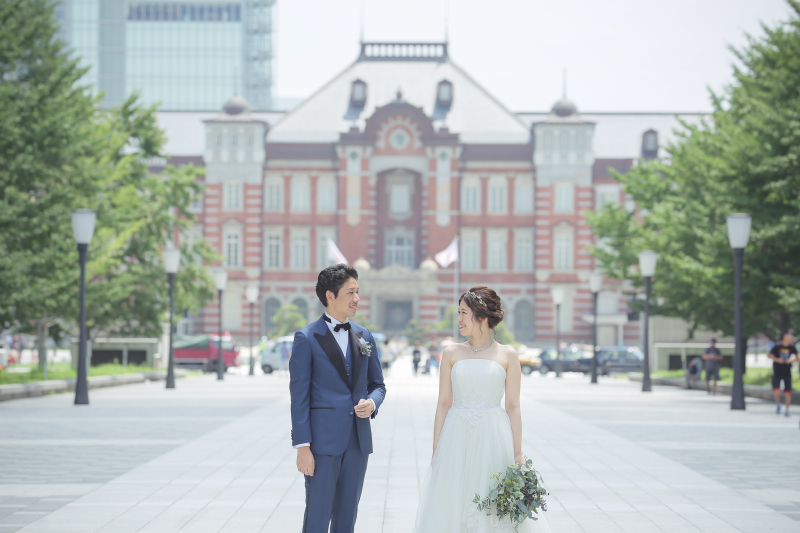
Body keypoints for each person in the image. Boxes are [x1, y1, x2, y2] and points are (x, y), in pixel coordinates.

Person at [413, 286, 551, 533]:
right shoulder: (452, 352)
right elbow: (443, 403)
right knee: (453, 501)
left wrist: (517, 452)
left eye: (463, 313)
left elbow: (513, 406)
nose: (458, 318)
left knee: (493, 503)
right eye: (458, 312)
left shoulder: (508, 354)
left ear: (482, 317)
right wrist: (437, 449)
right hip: (456, 436)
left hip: (493, 436)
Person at [289, 264, 387, 533]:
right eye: (350, 292)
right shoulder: (306, 338)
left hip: (357, 443)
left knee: (347, 519)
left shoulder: (365, 336)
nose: (357, 298)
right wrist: (302, 447)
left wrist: (372, 402)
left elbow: (378, 385)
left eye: (358, 291)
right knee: (317, 518)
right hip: (322, 445)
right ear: (330, 296)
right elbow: (299, 398)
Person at [768, 332, 797, 417]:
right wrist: (777, 360)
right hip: (777, 371)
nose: (791, 339)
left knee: (788, 391)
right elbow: (769, 355)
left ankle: (787, 410)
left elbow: (797, 357)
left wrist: (790, 360)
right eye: (790, 337)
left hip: (787, 371)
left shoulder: (792, 347)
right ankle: (778, 404)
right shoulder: (778, 346)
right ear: (785, 336)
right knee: (776, 389)